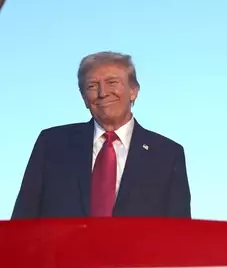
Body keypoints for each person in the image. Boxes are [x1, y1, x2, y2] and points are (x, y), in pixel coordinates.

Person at [11, 52, 191, 219]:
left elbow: (178, 233)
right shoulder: (52, 144)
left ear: (133, 91)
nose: (103, 93)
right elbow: (22, 220)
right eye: (92, 85)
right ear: (84, 98)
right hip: (63, 253)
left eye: (112, 82)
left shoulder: (167, 154)